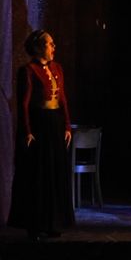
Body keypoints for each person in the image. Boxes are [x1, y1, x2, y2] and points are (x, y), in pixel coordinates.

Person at [8, 30, 75, 240]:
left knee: (55, 173)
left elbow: (62, 99)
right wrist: (27, 130)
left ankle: (54, 222)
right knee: (39, 175)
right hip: (40, 126)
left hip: (55, 125)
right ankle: (35, 225)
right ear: (39, 47)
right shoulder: (28, 71)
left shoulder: (58, 68)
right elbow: (24, 104)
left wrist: (66, 126)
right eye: (49, 44)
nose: (53, 47)